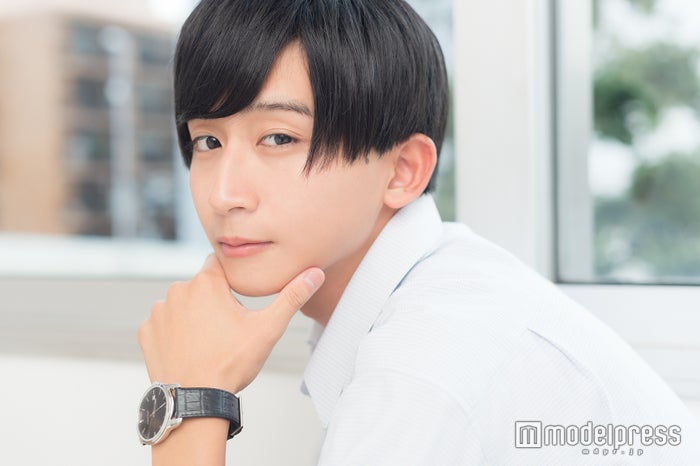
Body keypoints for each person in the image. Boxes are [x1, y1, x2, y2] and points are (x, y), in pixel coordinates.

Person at [137, 0, 700, 464]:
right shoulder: (429, 296)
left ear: (403, 170)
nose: (224, 194)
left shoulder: (426, 365)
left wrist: (193, 399)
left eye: (279, 138)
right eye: (208, 141)